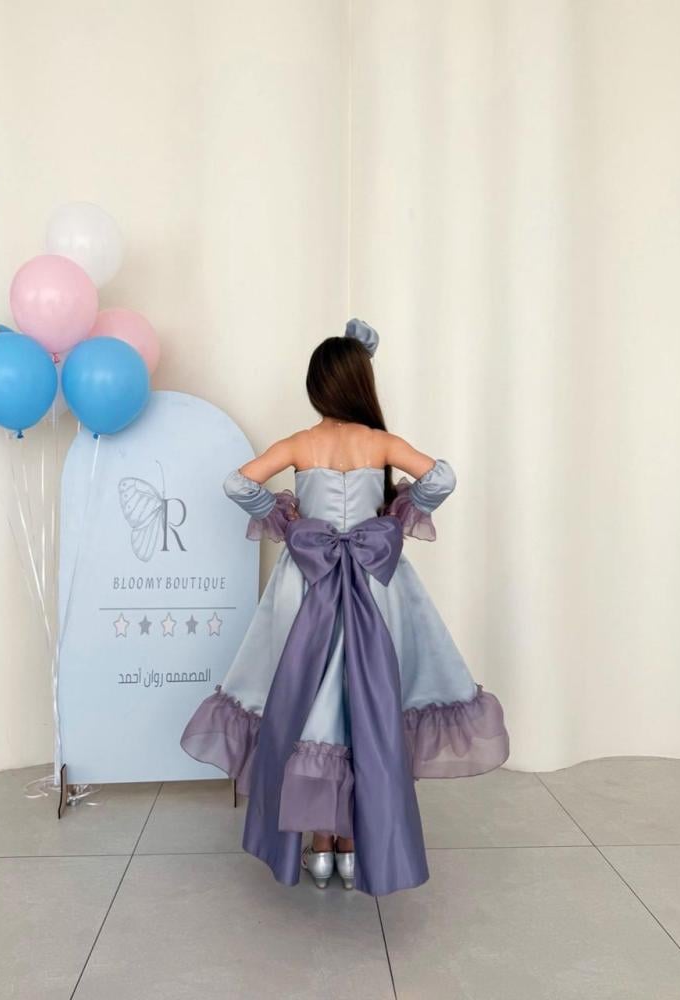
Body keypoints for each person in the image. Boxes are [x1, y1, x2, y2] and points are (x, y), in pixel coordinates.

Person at [180, 319, 509, 896]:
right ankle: (355, 845)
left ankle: (320, 844)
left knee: (310, 704)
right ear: (361, 383)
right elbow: (442, 477)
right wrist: (399, 509)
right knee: (364, 706)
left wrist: (287, 519)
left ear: (317, 386)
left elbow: (237, 484)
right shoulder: (381, 443)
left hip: (307, 583)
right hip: (375, 586)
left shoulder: (300, 443)